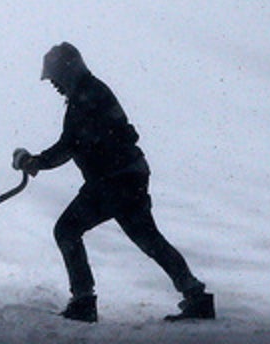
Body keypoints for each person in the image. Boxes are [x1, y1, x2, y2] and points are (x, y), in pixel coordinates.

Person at [12, 42, 214, 323]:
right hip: (126, 176)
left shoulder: (87, 96)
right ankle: (196, 296)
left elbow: (70, 144)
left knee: (67, 230)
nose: (54, 85)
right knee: (148, 239)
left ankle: (83, 301)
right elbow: (78, 142)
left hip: (113, 180)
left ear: (68, 71)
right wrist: (39, 161)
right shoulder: (88, 92)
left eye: (56, 77)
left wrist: (37, 162)